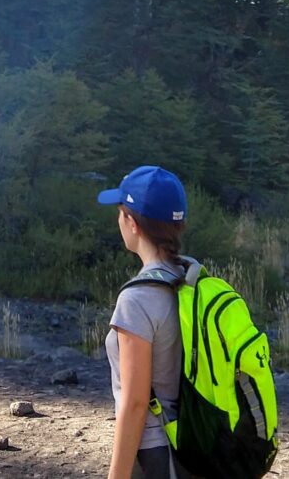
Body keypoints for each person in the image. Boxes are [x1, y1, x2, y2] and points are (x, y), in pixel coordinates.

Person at [97, 165, 197, 479]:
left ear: (132, 222)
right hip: (197, 445)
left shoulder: (137, 299)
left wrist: (117, 475)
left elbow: (136, 402)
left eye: (120, 212)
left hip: (157, 452)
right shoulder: (194, 278)